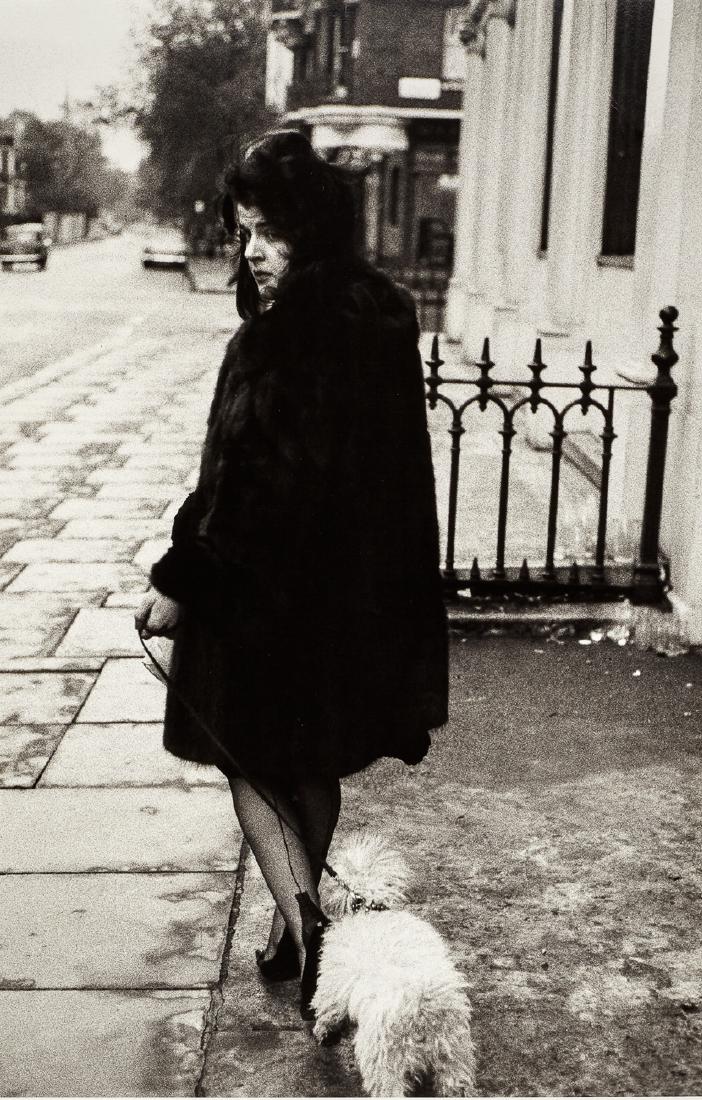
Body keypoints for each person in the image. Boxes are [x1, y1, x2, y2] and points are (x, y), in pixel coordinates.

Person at [134, 129, 448, 1018]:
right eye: (243, 233)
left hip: (265, 600)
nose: (253, 252)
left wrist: (178, 580)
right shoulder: (376, 315)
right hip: (351, 599)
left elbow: (255, 482)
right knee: (309, 760)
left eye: (268, 232)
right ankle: (290, 921)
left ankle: (315, 934)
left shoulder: (290, 335)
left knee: (250, 762)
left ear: (308, 231)